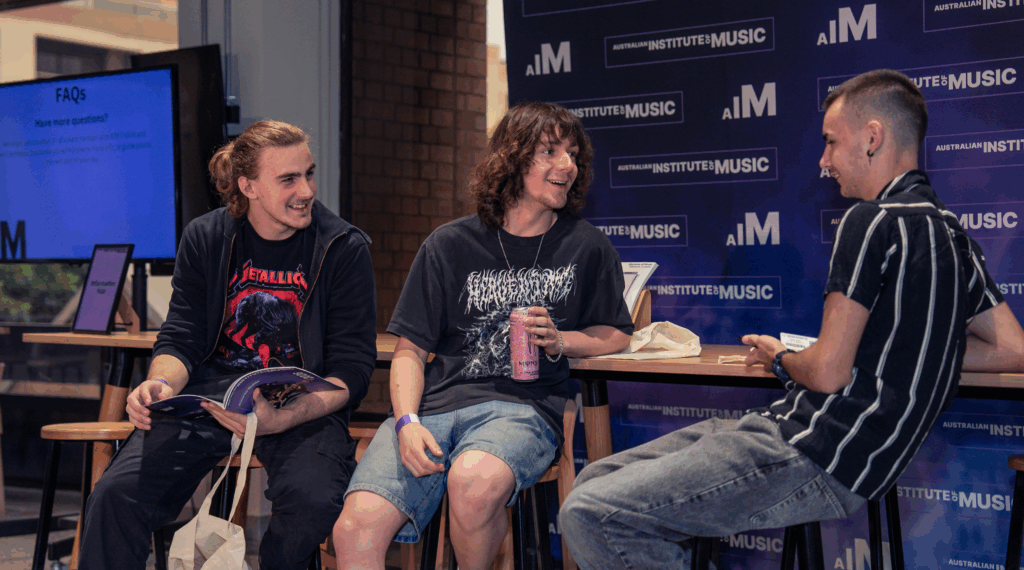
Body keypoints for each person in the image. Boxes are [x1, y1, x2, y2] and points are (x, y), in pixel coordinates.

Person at [558, 69, 1024, 570]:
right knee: (591, 482)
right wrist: (905, 361)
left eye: (830, 142)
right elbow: (1013, 349)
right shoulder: (952, 234)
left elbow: (826, 373)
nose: (824, 161)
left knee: (590, 511)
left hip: (815, 452)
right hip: (813, 442)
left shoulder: (871, 222)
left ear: (872, 138)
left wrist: (782, 356)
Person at [332, 102, 634, 570]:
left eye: (573, 153)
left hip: (522, 410)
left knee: (471, 483)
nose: (567, 165)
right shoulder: (449, 244)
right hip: (434, 411)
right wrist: (407, 422)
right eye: (550, 151)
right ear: (512, 159)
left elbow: (615, 333)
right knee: (355, 529)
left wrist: (562, 341)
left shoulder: (587, 246)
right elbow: (410, 351)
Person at [79, 120, 377, 570]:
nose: (307, 190)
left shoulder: (342, 247)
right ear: (248, 186)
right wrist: (159, 384)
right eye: (288, 179)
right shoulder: (207, 237)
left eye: (309, 174)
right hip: (208, 399)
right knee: (116, 495)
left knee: (312, 502)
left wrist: (283, 419)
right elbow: (181, 336)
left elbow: (352, 370)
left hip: (300, 406)